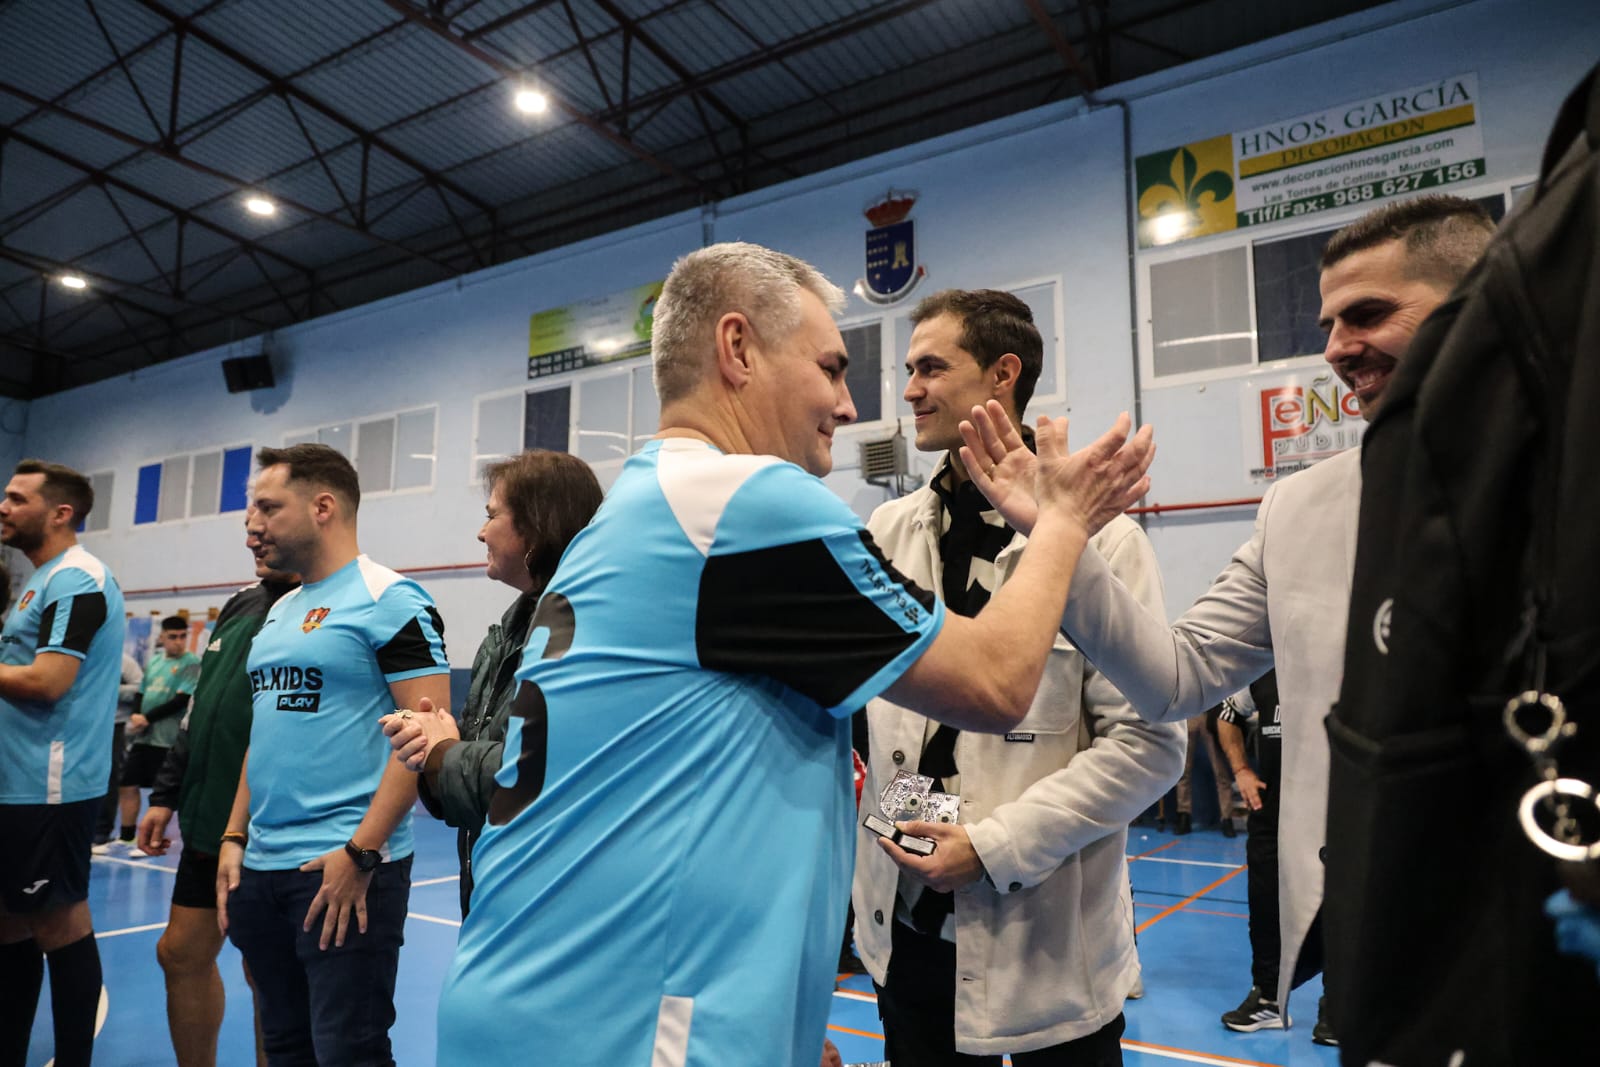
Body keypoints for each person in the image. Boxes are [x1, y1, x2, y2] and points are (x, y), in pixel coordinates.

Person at [389, 242, 1155, 1067]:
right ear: (738, 349)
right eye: (830, 368)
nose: (851, 404)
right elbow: (998, 682)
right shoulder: (746, 507)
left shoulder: (622, 521)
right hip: (639, 1024)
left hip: (553, 994)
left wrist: (778, 1018)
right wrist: (1064, 519)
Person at [957, 195, 1497, 1042]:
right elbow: (1178, 677)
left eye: (1368, 314)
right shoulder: (1301, 507)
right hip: (1388, 942)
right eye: (1329, 323)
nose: (1336, 347)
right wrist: (1058, 535)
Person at [852, 288, 1184, 1065]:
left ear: (1004, 374)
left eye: (931, 367)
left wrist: (994, 846)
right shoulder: (887, 530)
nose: (910, 391)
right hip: (904, 938)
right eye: (908, 370)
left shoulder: (1107, 543)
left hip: (1047, 953)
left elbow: (1149, 746)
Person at [216, 444, 450, 1066]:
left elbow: (427, 737)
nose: (252, 525)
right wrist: (234, 837)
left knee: (350, 1052)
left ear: (323, 507)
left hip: (344, 868)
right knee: (284, 1048)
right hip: (261, 868)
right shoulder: (279, 611)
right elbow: (264, 735)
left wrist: (361, 853)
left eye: (268, 507)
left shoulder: (391, 599)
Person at [389, 450, 602, 916]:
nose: (481, 532)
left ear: (535, 526)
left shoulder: (581, 632)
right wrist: (432, 749)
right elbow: (475, 779)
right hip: (493, 896)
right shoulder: (502, 639)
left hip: (547, 907)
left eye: (491, 515)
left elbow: (537, 774)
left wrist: (443, 754)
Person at [136, 514, 300, 1067]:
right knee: (180, 953)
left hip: (270, 825)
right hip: (207, 823)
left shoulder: (327, 607)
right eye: (249, 522)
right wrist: (165, 793)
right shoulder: (240, 603)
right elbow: (198, 708)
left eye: (268, 517)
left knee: (268, 969)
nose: (252, 535)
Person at [0, 460, 126, 1067]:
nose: (3, 507)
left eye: (16, 498)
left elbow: (50, 680)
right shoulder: (41, 581)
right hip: (16, 784)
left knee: (59, 923)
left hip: (49, 785)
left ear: (61, 513)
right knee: (9, 923)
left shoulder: (77, 578)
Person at [1215, 670, 1284, 1033]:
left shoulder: (1335, 664)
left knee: (1337, 910)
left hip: (1330, 815)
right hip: (1270, 814)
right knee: (1264, 906)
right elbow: (1227, 715)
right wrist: (1241, 769)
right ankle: (1268, 998)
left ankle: (1335, 1007)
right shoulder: (1263, 669)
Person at [116, 615, 200, 854]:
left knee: (161, 794)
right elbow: (141, 692)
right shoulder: (154, 661)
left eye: (183, 636)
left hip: (168, 739)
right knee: (127, 784)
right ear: (162, 637)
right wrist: (135, 714)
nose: (179, 642)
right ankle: (126, 837)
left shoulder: (192, 663)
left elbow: (181, 700)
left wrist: (147, 718)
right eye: (173, 637)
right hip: (144, 737)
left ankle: (154, 840)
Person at [93, 651, 144, 848]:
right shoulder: (85, 656)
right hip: (86, 725)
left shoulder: (125, 662)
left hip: (114, 725)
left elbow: (140, 688)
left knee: (110, 775)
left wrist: (111, 688)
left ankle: (101, 831)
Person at [1174, 716, 1235, 837]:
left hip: (1210, 713)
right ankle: (1184, 815)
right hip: (1188, 714)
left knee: (1220, 771)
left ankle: (1227, 818)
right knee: (1183, 771)